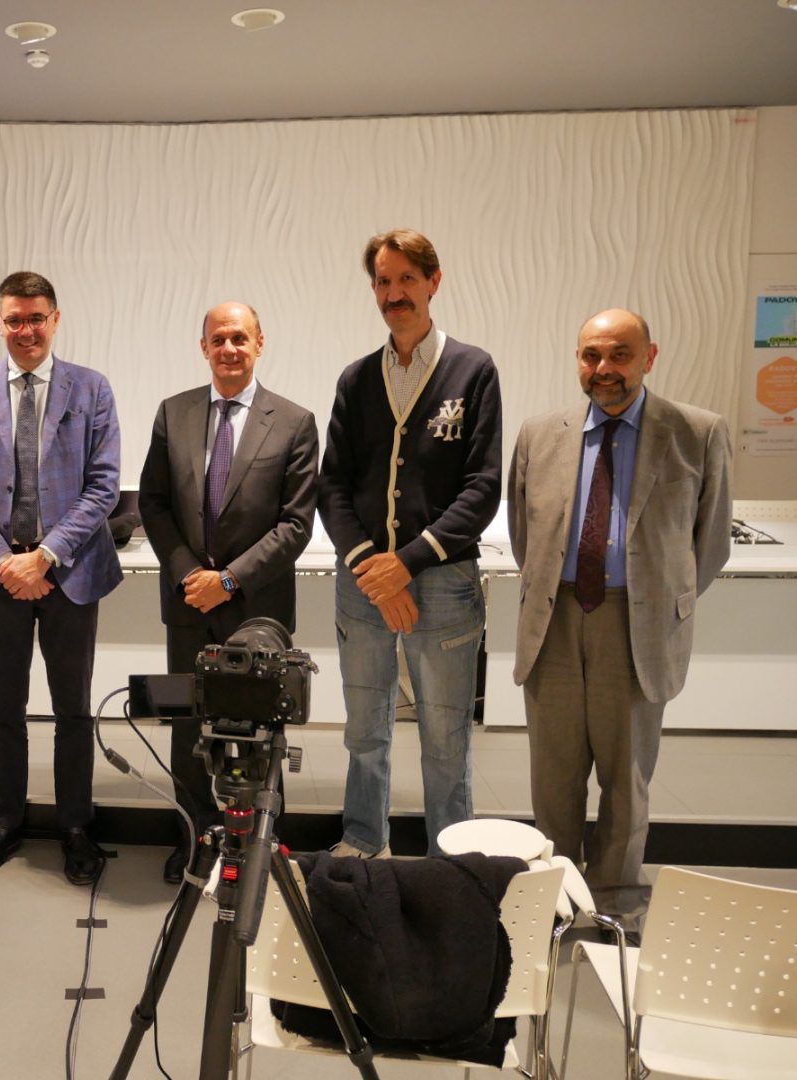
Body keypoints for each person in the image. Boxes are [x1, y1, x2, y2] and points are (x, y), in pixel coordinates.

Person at [509, 308, 732, 931]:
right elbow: (527, 536)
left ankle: (614, 901)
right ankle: (556, 895)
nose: (604, 369)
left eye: (619, 355)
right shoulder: (538, 434)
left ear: (649, 357)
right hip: (554, 623)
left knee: (626, 779)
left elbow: (710, 544)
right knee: (553, 778)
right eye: (591, 356)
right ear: (577, 358)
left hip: (635, 627)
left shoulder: (696, 433)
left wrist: (656, 601)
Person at [318, 229, 501, 858]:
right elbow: (332, 485)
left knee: (446, 738)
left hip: (444, 583)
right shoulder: (356, 379)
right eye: (383, 281)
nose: (394, 293)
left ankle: (451, 859)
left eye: (406, 279)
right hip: (362, 583)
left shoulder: (473, 371)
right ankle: (364, 841)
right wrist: (372, 568)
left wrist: (408, 562)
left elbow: (482, 488)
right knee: (365, 730)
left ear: (433, 282)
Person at [0, 271, 120, 885]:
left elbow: (103, 486)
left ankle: (76, 826)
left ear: (55, 319)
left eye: (36, 318)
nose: (26, 330)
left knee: (73, 710)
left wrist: (43, 557)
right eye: (14, 319)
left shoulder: (91, 388)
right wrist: (5, 562)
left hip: (68, 574)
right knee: (4, 711)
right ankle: (4, 823)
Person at [138, 301, 319, 884]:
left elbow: (295, 524)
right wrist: (191, 575)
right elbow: (153, 504)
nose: (229, 349)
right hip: (189, 603)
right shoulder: (174, 413)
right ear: (204, 347)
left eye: (239, 338)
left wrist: (230, 580)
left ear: (259, 344)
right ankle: (195, 840)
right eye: (218, 339)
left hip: (257, 611)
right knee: (188, 730)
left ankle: (260, 849)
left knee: (261, 733)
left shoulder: (294, 421)